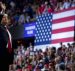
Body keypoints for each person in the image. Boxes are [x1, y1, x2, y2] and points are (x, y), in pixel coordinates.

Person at [0, 2, 13, 71]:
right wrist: (3, 10)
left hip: (6, 59)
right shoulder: (0, 27)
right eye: (3, 17)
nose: (5, 18)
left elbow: (10, 46)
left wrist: (10, 62)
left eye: (6, 17)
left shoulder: (7, 31)